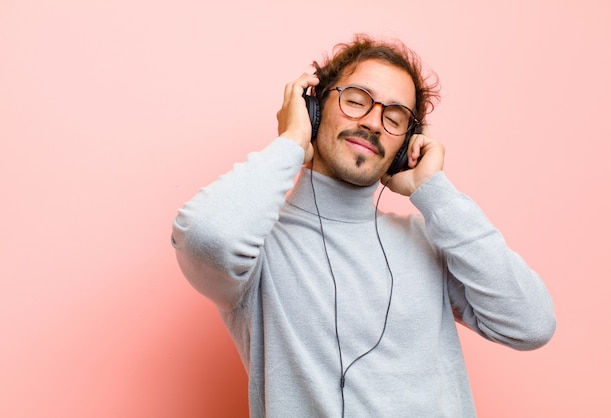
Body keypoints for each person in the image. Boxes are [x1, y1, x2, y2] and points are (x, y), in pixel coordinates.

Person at [171, 34, 556, 417]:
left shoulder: (428, 239)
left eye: (394, 118)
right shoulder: (257, 250)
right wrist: (291, 142)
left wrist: (432, 191)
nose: (373, 122)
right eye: (356, 101)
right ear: (315, 108)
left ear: (406, 144)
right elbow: (207, 238)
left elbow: (531, 323)